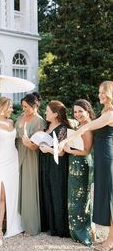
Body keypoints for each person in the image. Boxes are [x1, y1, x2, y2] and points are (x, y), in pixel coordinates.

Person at [59, 81, 113, 251]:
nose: (100, 96)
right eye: (99, 93)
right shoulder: (105, 111)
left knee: (110, 199)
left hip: (108, 158)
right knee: (106, 197)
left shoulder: (111, 113)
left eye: (103, 93)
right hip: (101, 158)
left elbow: (88, 126)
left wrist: (66, 141)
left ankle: (111, 241)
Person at [0, 97, 23, 247]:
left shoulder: (11, 122)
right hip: (1, 160)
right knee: (1, 194)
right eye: (9, 107)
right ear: (2, 107)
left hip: (13, 159)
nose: (12, 110)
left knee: (12, 192)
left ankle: (13, 223)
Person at [63, 99, 95, 246]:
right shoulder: (80, 125)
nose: (77, 114)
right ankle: (77, 232)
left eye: (80, 111)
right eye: (75, 112)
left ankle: (84, 232)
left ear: (87, 111)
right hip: (74, 165)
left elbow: (87, 150)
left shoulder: (88, 127)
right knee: (74, 200)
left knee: (81, 200)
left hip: (81, 166)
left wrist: (70, 150)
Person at [38, 100, 71, 238]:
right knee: (46, 190)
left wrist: (48, 149)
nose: (45, 112)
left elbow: (62, 152)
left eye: (48, 111)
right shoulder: (47, 126)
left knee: (57, 192)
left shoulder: (63, 128)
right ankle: (48, 225)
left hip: (57, 165)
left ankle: (59, 227)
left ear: (55, 114)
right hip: (45, 163)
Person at [15, 93, 46, 236]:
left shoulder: (39, 121)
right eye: (23, 106)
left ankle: (31, 225)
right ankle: (17, 223)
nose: (24, 109)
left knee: (29, 189)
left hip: (30, 156)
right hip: (16, 154)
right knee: (18, 189)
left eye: (26, 107)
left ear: (35, 105)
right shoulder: (20, 117)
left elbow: (38, 145)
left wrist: (30, 144)